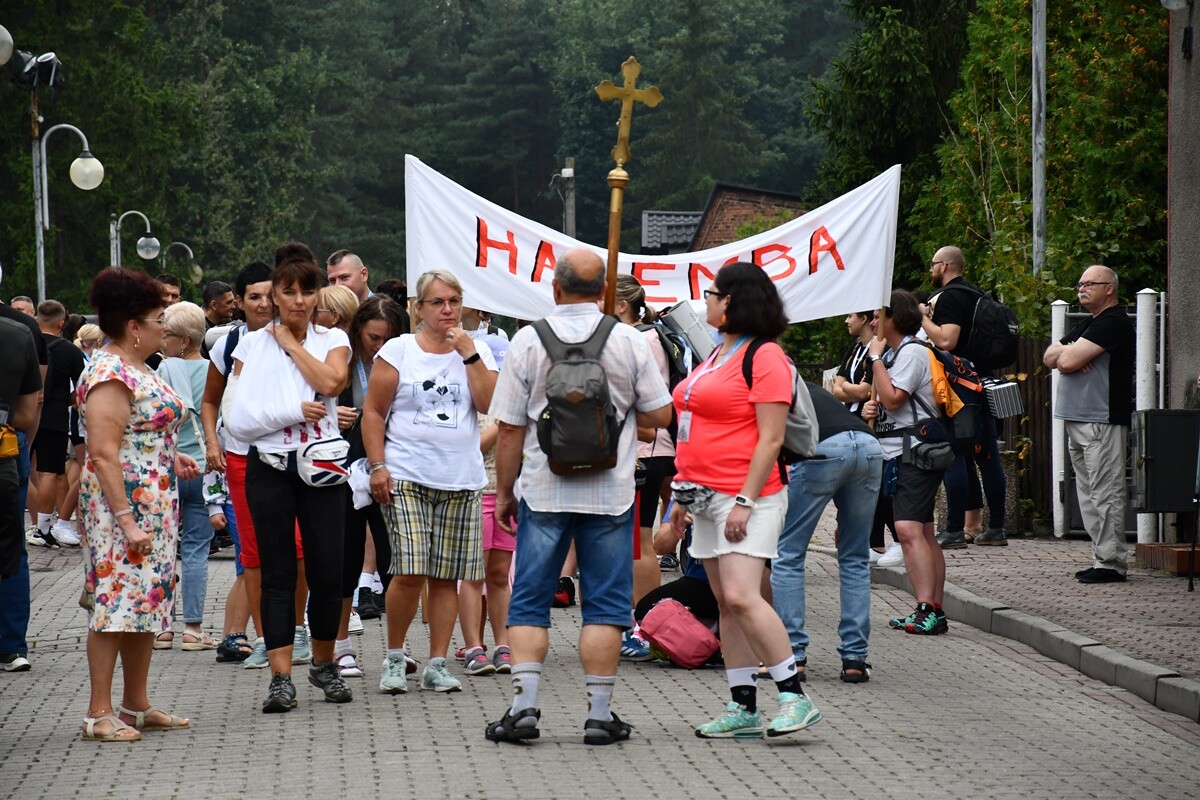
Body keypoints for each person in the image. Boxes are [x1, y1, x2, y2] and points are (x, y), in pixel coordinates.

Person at [484, 249, 672, 745]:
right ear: (603, 291)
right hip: (611, 494)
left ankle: (524, 708)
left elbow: (508, 428)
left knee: (528, 602)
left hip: (544, 491)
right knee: (607, 606)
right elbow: (661, 415)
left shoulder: (527, 340)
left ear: (556, 288)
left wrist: (505, 492)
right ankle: (600, 714)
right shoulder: (628, 340)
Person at [665, 262, 820, 740]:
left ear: (732, 300)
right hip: (705, 494)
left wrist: (746, 501)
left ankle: (794, 695)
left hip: (748, 494)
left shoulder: (766, 356)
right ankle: (742, 705)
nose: (705, 302)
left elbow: (771, 439)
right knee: (724, 603)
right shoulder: (716, 354)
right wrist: (681, 494)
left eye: (711, 294)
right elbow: (696, 428)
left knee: (740, 595)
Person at [227, 242, 352, 712]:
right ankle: (281, 677)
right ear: (274, 295)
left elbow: (333, 383)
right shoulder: (249, 345)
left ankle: (322, 663)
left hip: (322, 468)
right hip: (271, 468)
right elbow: (238, 421)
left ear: (318, 294)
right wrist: (289, 412)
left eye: (307, 291)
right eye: (289, 291)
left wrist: (293, 345)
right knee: (277, 572)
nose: (299, 300)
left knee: (327, 569)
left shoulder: (332, 340)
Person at [77, 266, 200, 742]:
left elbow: (140, 436)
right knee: (113, 605)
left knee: (147, 602)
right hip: (120, 508)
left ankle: (136, 703)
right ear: (133, 327)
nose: (163, 327)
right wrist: (126, 520)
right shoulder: (110, 371)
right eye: (157, 319)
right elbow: (104, 452)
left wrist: (174, 458)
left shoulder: (139, 368)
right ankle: (98, 712)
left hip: (155, 502)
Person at [361, 268, 498, 695]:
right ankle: (395, 657)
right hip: (407, 474)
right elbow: (374, 413)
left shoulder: (477, 351)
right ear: (418, 308)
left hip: (460, 478)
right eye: (437, 302)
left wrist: (471, 355)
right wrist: (378, 465)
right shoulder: (399, 351)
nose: (447, 310)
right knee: (410, 568)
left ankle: (437, 661)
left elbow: (491, 403)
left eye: (454, 301)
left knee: (447, 574)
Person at [200, 262, 285, 665]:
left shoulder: (295, 337)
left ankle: (293, 633)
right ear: (239, 302)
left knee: (295, 548)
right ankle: (265, 639)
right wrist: (212, 444)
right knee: (252, 551)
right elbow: (210, 401)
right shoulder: (228, 343)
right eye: (254, 296)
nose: (264, 303)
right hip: (239, 457)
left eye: (271, 295)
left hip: (288, 457)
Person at [772, 382, 882, 683]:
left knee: (788, 554)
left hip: (823, 449)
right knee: (855, 556)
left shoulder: (764, 383)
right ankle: (855, 659)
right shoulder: (804, 385)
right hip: (869, 445)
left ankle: (792, 656)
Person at [863, 290, 950, 636]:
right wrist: (872, 408)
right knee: (924, 532)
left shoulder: (912, 352)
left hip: (915, 452)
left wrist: (876, 361)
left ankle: (929, 609)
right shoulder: (898, 353)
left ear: (893, 318)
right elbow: (886, 402)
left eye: (876, 315)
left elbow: (895, 398)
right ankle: (929, 607)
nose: (871, 322)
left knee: (908, 530)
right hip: (900, 452)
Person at [331, 295, 407, 679]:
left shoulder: (404, 358)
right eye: (373, 337)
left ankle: (398, 649)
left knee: (396, 557)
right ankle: (341, 646)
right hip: (342, 467)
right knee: (344, 557)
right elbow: (310, 403)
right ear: (358, 329)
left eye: (387, 339)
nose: (379, 346)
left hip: (390, 467)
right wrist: (334, 413)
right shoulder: (341, 359)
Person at [1043, 265, 1134, 584]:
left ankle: (1112, 562)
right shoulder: (1089, 325)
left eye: (1090, 284)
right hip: (1079, 418)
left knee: (1105, 489)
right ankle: (1100, 557)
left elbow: (1064, 361)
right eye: (1080, 284)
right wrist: (1071, 354)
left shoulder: (1114, 322)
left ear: (1109, 288)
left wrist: (1070, 357)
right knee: (1087, 490)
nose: (1081, 288)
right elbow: (1050, 355)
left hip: (1101, 418)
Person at [920, 246, 1007, 548]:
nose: (931, 271)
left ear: (944, 266)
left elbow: (947, 339)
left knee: (954, 454)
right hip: (983, 383)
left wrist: (923, 319)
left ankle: (954, 529)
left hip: (960, 390)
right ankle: (996, 528)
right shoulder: (977, 294)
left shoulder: (950, 297)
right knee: (988, 457)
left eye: (933, 265)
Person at [155, 302, 222, 651]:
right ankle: (193, 630)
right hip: (206, 469)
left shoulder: (163, 371)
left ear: (182, 340)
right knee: (196, 548)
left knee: (165, 548)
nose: (161, 339)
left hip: (169, 468)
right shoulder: (216, 370)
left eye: (166, 334)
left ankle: (163, 627)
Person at [614, 273, 673, 660]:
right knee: (634, 541)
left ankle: (646, 627)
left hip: (646, 450)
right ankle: (638, 625)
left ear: (621, 305)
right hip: (642, 448)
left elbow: (647, 398)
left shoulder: (641, 338)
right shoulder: (645, 335)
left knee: (641, 542)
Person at [0, 268, 46, 674]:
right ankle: (12, 645)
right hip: (6, 449)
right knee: (12, 549)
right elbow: (31, 409)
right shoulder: (20, 332)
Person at [27, 300, 86, 549]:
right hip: (55, 417)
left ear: (38, 320)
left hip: (25, 414)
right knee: (50, 471)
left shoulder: (26, 342)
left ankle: (32, 525)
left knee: (26, 470)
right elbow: (83, 388)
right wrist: (68, 400)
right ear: (62, 323)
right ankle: (43, 527)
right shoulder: (71, 351)